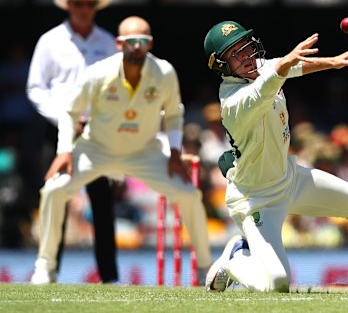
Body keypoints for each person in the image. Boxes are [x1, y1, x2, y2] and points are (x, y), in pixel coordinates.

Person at [202, 20, 348, 293]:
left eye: (246, 47)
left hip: (289, 179)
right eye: (235, 54)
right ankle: (236, 257)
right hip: (256, 200)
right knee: (277, 283)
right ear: (221, 65)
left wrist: (333, 62)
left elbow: (290, 67)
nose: (246, 57)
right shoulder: (233, 102)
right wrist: (284, 65)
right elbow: (266, 87)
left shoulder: (261, 68)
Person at [30, 16, 212, 284]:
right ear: (118, 44)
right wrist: (65, 151)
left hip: (143, 151)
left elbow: (174, 114)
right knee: (54, 191)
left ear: (150, 44)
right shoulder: (98, 72)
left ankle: (206, 268)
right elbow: (71, 112)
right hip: (97, 148)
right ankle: (45, 267)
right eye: (131, 41)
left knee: (189, 194)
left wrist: (174, 152)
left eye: (143, 41)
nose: (137, 47)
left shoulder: (164, 72)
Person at [26, 0, 119, 283]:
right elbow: (36, 89)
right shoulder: (50, 41)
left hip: (98, 132)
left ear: (95, 7)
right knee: (55, 198)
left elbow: (117, 88)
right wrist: (64, 119)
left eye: (89, 4)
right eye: (78, 4)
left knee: (103, 206)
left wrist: (98, 121)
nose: (83, 10)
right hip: (59, 132)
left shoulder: (107, 42)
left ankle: (109, 278)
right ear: (68, 5)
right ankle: (48, 270)